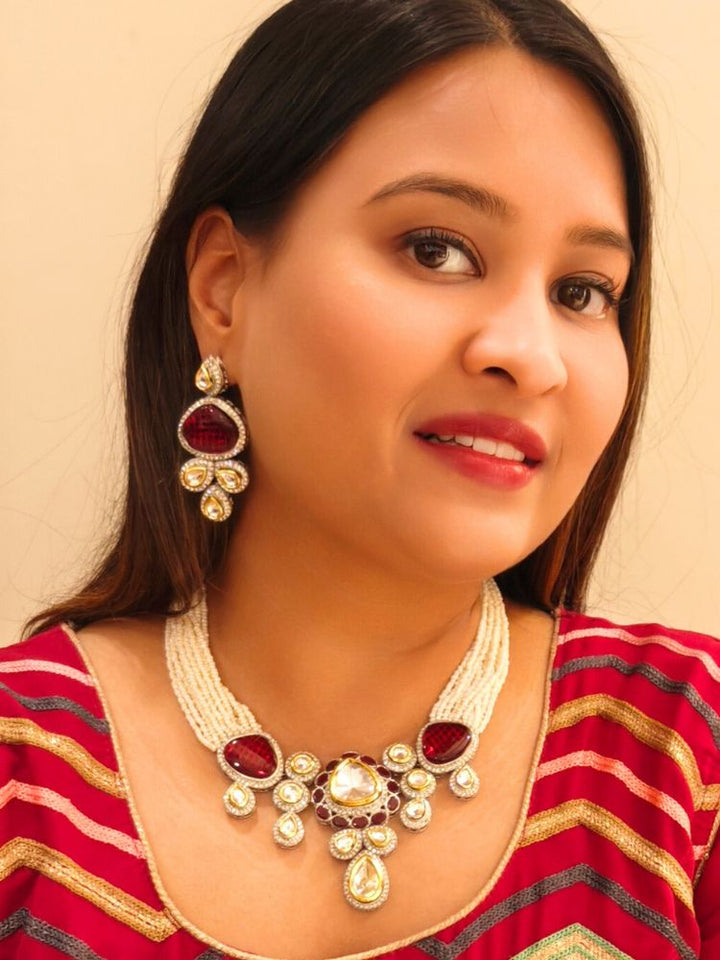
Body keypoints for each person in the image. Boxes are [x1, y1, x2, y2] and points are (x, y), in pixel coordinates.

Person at [1, 0, 717, 956]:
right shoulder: (26, 782)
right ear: (223, 285)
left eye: (582, 292)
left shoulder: (683, 761)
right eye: (437, 250)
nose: (529, 355)